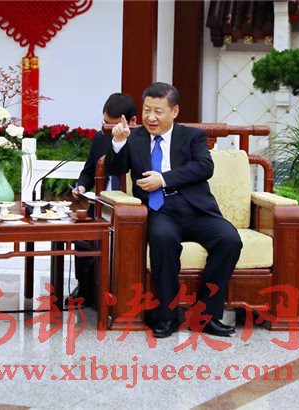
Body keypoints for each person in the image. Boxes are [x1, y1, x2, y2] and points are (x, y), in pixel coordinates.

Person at [105, 82, 242, 338]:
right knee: (162, 240)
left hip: (196, 209)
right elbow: (116, 169)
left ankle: (206, 316)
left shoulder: (192, 136)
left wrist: (163, 179)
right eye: (147, 110)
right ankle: (166, 316)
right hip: (160, 210)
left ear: (174, 111)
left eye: (158, 111)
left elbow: (205, 167)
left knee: (229, 239)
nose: (151, 118)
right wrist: (119, 142)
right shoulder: (135, 138)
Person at [66, 93, 137, 307]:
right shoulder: (100, 138)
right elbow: (88, 171)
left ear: (132, 121)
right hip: (99, 203)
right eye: (104, 122)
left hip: (130, 207)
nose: (107, 129)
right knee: (82, 231)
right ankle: (85, 288)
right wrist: (81, 186)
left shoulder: (142, 141)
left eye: (112, 125)